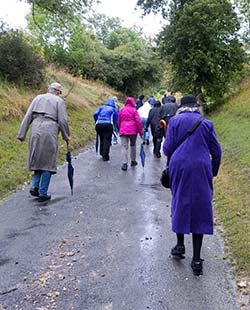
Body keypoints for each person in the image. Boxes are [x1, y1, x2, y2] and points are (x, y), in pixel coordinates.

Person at [163, 94, 222, 276]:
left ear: (181, 106)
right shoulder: (206, 123)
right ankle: (196, 259)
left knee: (179, 201)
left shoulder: (174, 121)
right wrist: (212, 170)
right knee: (200, 207)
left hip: (179, 167)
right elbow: (217, 150)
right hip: (201, 167)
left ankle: (180, 246)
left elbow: (166, 149)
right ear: (196, 106)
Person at [17, 82, 70, 202]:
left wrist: (21, 134)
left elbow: (28, 115)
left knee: (37, 158)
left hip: (35, 129)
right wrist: (66, 136)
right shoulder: (59, 101)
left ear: (49, 89)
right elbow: (62, 120)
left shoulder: (37, 98)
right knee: (48, 162)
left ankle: (35, 186)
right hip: (50, 129)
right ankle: (43, 193)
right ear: (57, 91)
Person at [118, 97, 143, 171]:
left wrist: (120, 128)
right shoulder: (134, 110)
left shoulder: (121, 110)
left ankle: (124, 163)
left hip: (123, 130)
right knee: (133, 145)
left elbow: (119, 121)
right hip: (133, 131)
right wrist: (140, 132)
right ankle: (133, 161)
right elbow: (138, 121)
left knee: (124, 147)